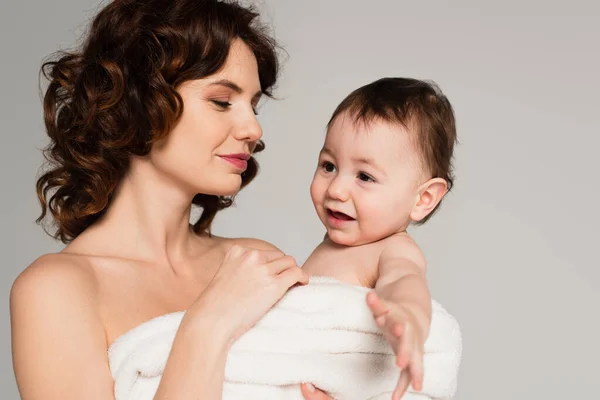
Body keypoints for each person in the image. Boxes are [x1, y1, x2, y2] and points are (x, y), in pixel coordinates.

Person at [10, 0, 331, 399]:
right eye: (221, 101)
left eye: (254, 105)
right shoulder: (58, 289)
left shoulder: (256, 261)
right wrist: (211, 321)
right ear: (139, 102)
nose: (252, 127)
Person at [301, 76, 458, 399]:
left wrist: (408, 318)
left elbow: (404, 281)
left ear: (423, 199)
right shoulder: (334, 244)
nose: (336, 189)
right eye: (328, 165)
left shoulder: (393, 249)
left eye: (364, 176)